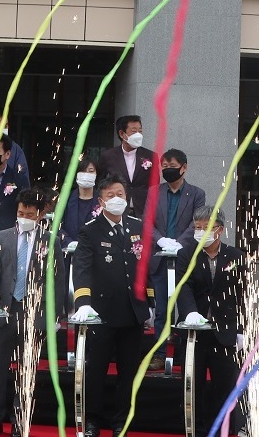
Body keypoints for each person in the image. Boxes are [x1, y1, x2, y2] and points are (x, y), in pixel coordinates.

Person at [71, 175, 154, 437]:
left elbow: (144, 267)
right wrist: (83, 302)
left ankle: (121, 422)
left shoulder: (137, 227)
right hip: (101, 313)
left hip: (132, 312)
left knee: (128, 373)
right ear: (101, 201)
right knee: (95, 371)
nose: (116, 199)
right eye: (110, 195)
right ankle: (92, 420)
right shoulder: (90, 230)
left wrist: (150, 302)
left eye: (120, 194)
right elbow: (81, 269)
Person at [0, 188, 66, 436]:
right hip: (6, 309)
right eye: (21, 213)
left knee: (27, 369)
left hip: (34, 311)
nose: (24, 218)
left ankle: (19, 421)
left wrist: (54, 315)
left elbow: (58, 280)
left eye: (29, 214)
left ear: (39, 215)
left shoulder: (50, 240)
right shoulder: (2, 237)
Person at [176, 206, 246, 436]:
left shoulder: (235, 256)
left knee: (223, 386)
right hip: (194, 332)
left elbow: (242, 295)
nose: (201, 232)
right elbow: (182, 286)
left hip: (224, 332)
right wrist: (190, 312)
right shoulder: (186, 254)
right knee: (192, 386)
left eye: (206, 228)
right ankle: (193, 430)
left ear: (220, 230)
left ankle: (220, 430)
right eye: (197, 228)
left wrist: (241, 329)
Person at [147, 148, 206, 369]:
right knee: (162, 310)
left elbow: (197, 222)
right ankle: (160, 353)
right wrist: (162, 240)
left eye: (172, 167)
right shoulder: (154, 192)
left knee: (186, 306)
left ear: (184, 167)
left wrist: (179, 243)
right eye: (164, 167)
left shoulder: (196, 193)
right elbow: (147, 222)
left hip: (186, 258)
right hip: (161, 258)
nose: (168, 170)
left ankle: (184, 354)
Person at [98, 115, 157, 216]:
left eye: (140, 131)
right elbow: (99, 183)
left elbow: (155, 185)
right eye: (134, 131)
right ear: (122, 134)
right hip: (117, 211)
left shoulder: (150, 156)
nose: (138, 135)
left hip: (143, 210)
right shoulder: (108, 156)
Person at [60, 158, 99, 247]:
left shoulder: (102, 200)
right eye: (83, 171)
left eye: (91, 171)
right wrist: (69, 242)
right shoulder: (65, 199)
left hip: (95, 251)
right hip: (69, 251)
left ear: (96, 174)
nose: (86, 175)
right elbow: (57, 227)